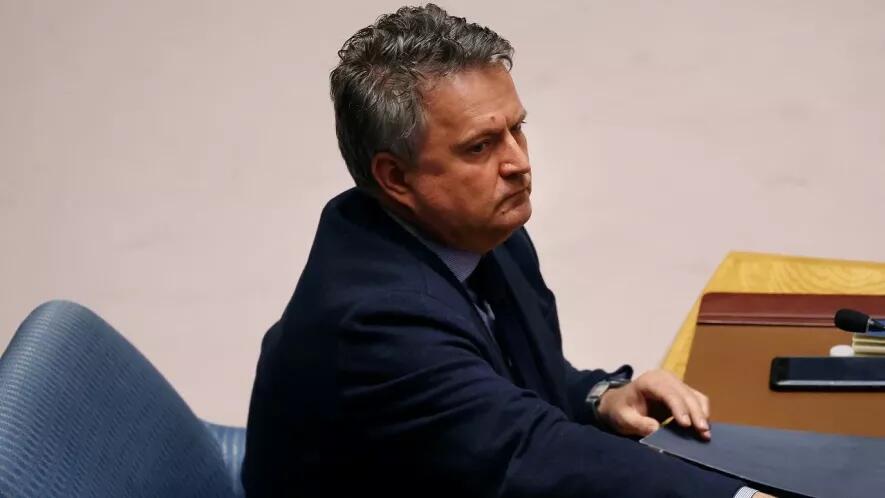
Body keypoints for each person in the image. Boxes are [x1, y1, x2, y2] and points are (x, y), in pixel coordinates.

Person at [243, 4, 773, 497]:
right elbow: (525, 451)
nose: (518, 163)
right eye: (480, 146)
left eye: (517, 129)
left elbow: (510, 378)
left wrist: (602, 398)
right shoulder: (374, 322)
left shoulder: (478, 229)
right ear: (396, 177)